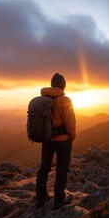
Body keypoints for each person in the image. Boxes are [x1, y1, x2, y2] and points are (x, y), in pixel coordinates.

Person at [36, 73, 76, 210]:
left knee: (44, 168)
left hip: (47, 140)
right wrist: (72, 136)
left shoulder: (43, 99)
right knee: (62, 170)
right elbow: (70, 123)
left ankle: (41, 197)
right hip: (63, 141)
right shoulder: (65, 100)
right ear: (63, 85)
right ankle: (59, 200)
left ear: (52, 84)